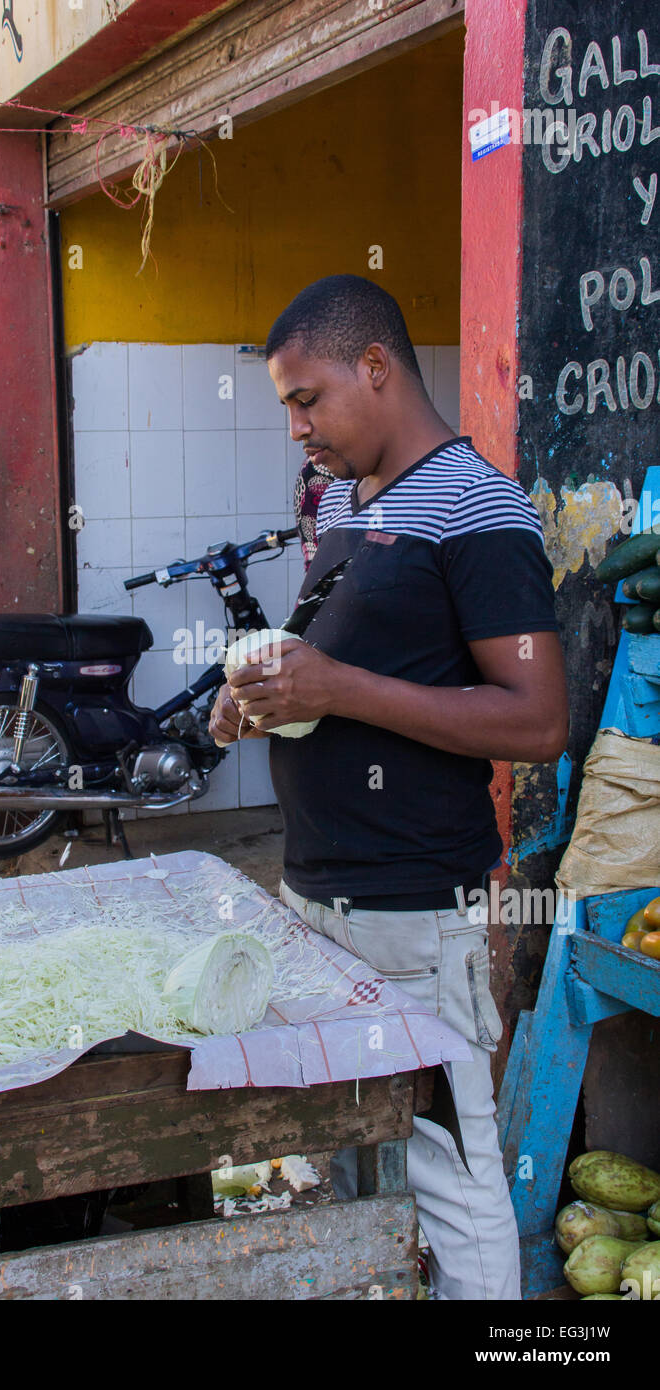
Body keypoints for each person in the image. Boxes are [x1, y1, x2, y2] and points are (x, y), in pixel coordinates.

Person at [209, 274, 569, 1300]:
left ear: (375, 367)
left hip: (415, 917)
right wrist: (258, 699)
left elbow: (536, 719)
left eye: (306, 397)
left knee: (448, 1175)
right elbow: (341, 663)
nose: (293, 427)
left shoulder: (478, 507)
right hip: (317, 895)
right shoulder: (343, 501)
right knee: (342, 1159)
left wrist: (338, 687)